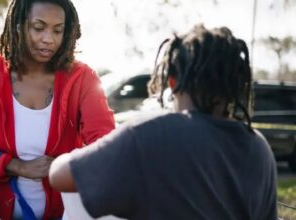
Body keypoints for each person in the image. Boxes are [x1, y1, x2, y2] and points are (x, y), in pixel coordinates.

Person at [49, 24, 277, 220]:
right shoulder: (258, 148)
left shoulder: (151, 134)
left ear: (172, 81)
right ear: (234, 86)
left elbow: (59, 176)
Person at [0, 0, 115, 219]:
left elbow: (105, 143)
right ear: (19, 25)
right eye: (38, 28)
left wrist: (65, 167)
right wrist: (16, 166)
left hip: (64, 213)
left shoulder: (82, 79)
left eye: (58, 30)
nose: (48, 39)